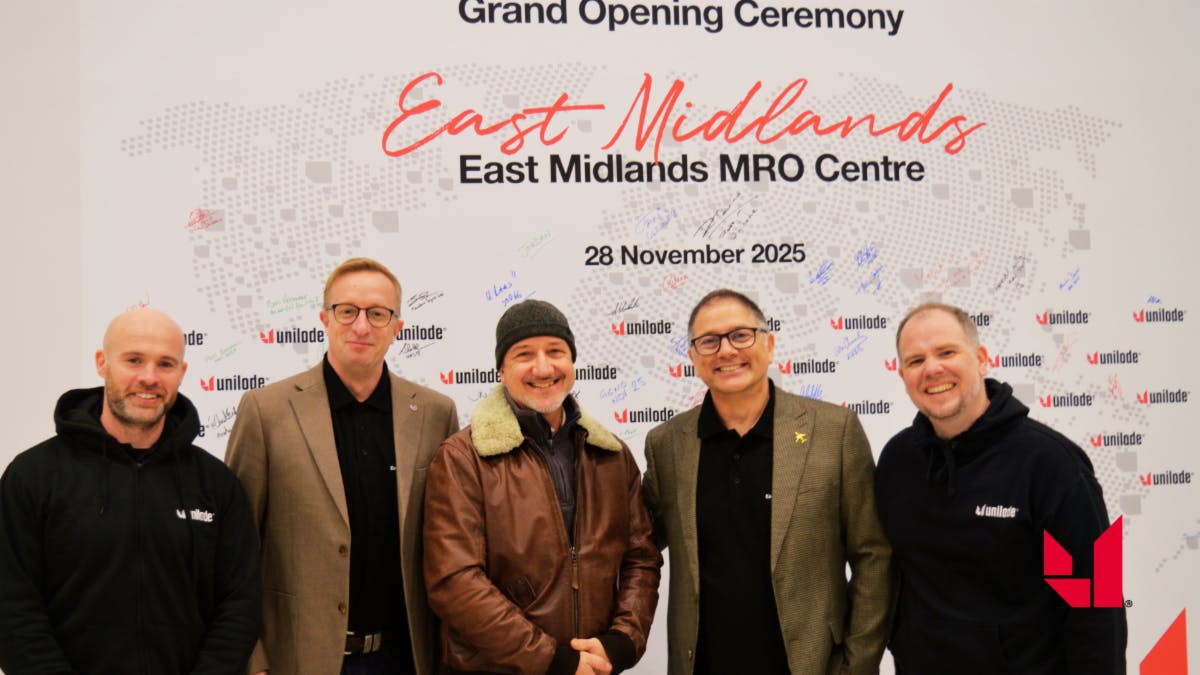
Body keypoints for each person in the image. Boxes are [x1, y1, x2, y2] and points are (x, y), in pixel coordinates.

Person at [225, 257, 459, 675]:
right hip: (298, 660)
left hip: (406, 659)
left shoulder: (435, 413)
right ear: (325, 319)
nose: (361, 326)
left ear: (397, 328)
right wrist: (251, 657)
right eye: (347, 311)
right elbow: (234, 547)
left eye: (377, 314)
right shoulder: (266, 411)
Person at [642, 289, 893, 675]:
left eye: (741, 335)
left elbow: (873, 555)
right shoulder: (667, 445)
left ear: (769, 344)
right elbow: (636, 549)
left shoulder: (835, 432)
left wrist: (856, 666)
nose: (726, 350)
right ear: (693, 358)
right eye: (709, 341)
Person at [0, 308, 260, 675]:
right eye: (134, 360)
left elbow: (239, 604)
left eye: (165, 364)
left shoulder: (216, 484)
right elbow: (12, 608)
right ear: (102, 363)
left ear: (182, 372)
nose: (149, 377)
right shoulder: (33, 476)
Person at [876, 302, 1127, 674]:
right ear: (902, 375)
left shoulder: (1053, 465)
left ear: (981, 359)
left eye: (947, 352)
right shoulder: (897, 461)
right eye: (916, 360)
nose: (932, 369)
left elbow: (1096, 604)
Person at [423, 299, 661, 675]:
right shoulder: (463, 458)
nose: (543, 367)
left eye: (555, 351)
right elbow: (455, 581)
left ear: (572, 362)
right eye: (524, 354)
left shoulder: (611, 455)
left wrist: (621, 641)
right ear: (501, 369)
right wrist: (551, 660)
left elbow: (641, 557)